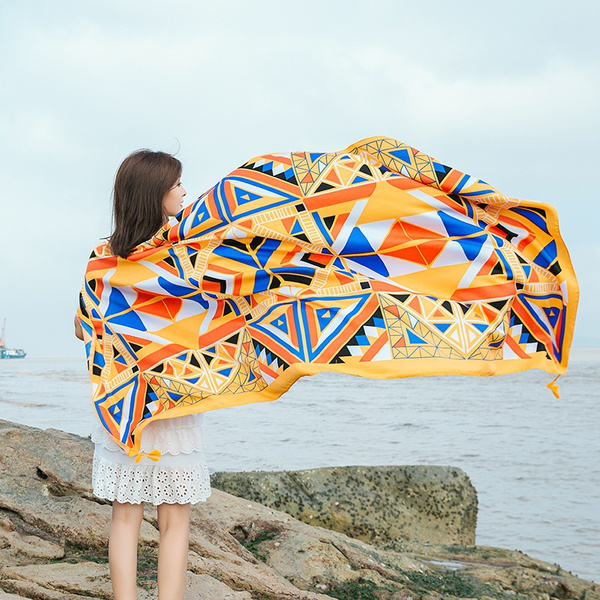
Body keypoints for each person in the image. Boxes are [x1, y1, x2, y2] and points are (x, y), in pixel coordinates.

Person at [75, 150, 211, 600]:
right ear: (156, 192)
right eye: (177, 185)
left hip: (124, 402)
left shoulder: (104, 256)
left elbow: (82, 327)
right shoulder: (185, 253)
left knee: (125, 517)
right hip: (174, 398)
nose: (185, 192)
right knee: (174, 522)